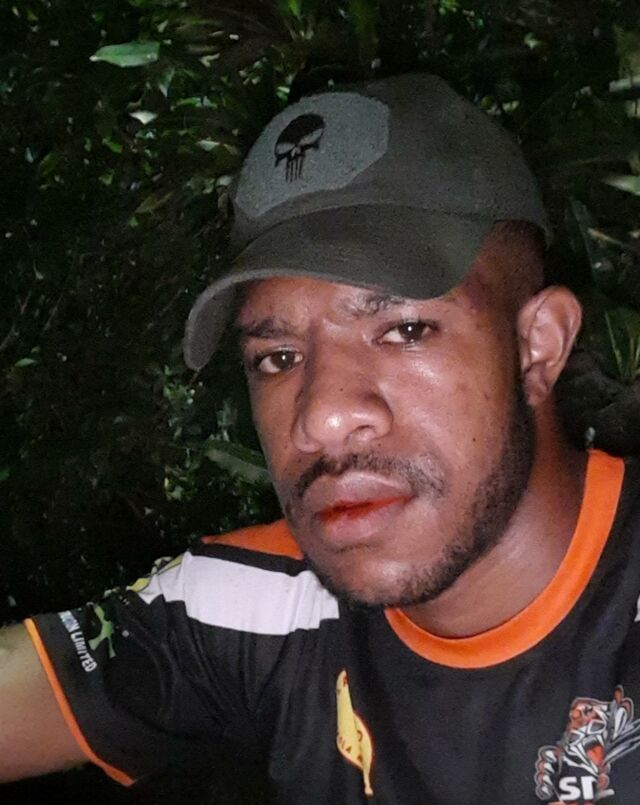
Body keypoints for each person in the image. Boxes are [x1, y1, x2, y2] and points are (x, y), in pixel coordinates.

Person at [2, 73, 640, 805]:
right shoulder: (253, 603)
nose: (321, 417)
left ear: (537, 347)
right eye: (279, 358)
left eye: (404, 329)